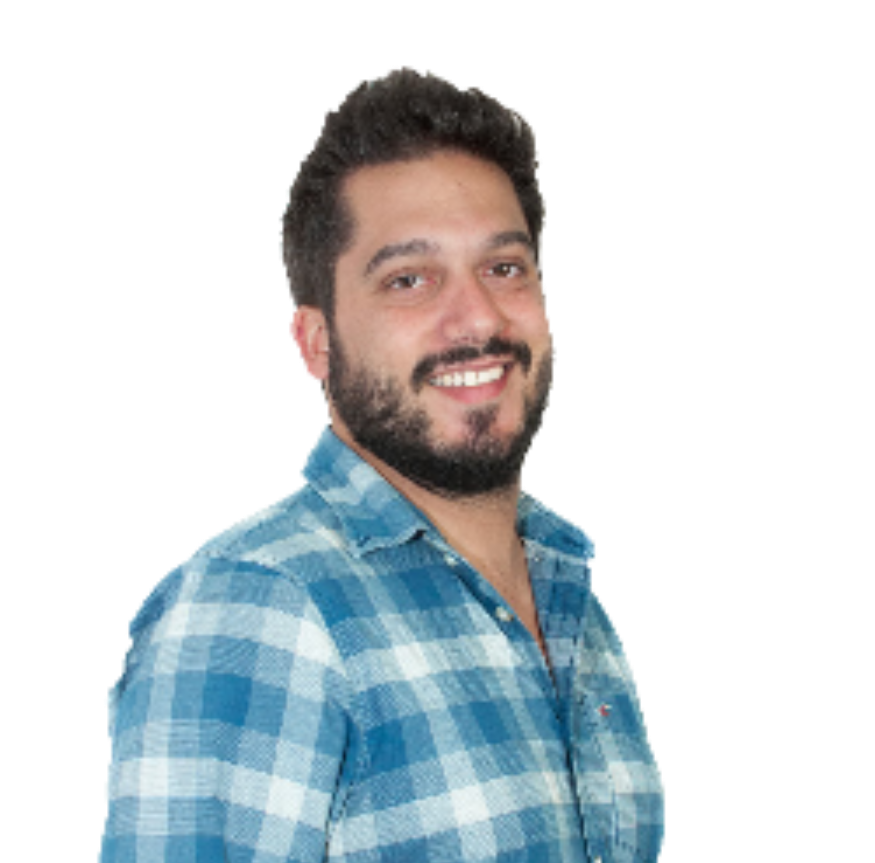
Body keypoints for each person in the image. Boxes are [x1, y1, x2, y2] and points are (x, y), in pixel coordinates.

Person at [101, 65, 665, 862]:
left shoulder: (572, 595)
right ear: (316, 342)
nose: (476, 317)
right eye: (409, 279)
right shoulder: (260, 606)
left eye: (504, 267)